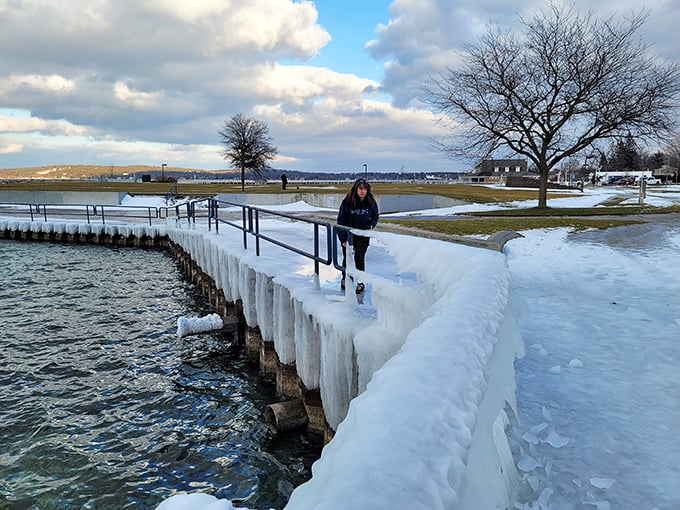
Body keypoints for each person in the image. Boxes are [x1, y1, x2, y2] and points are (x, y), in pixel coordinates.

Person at [336, 178, 379, 293]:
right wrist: (342, 238)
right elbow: (340, 220)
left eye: (364, 189)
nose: (362, 191)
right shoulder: (347, 202)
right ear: (356, 189)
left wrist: (371, 225)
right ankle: (345, 279)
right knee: (347, 258)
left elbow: (375, 215)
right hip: (349, 234)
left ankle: (361, 281)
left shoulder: (370, 201)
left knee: (359, 258)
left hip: (363, 235)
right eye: (360, 188)